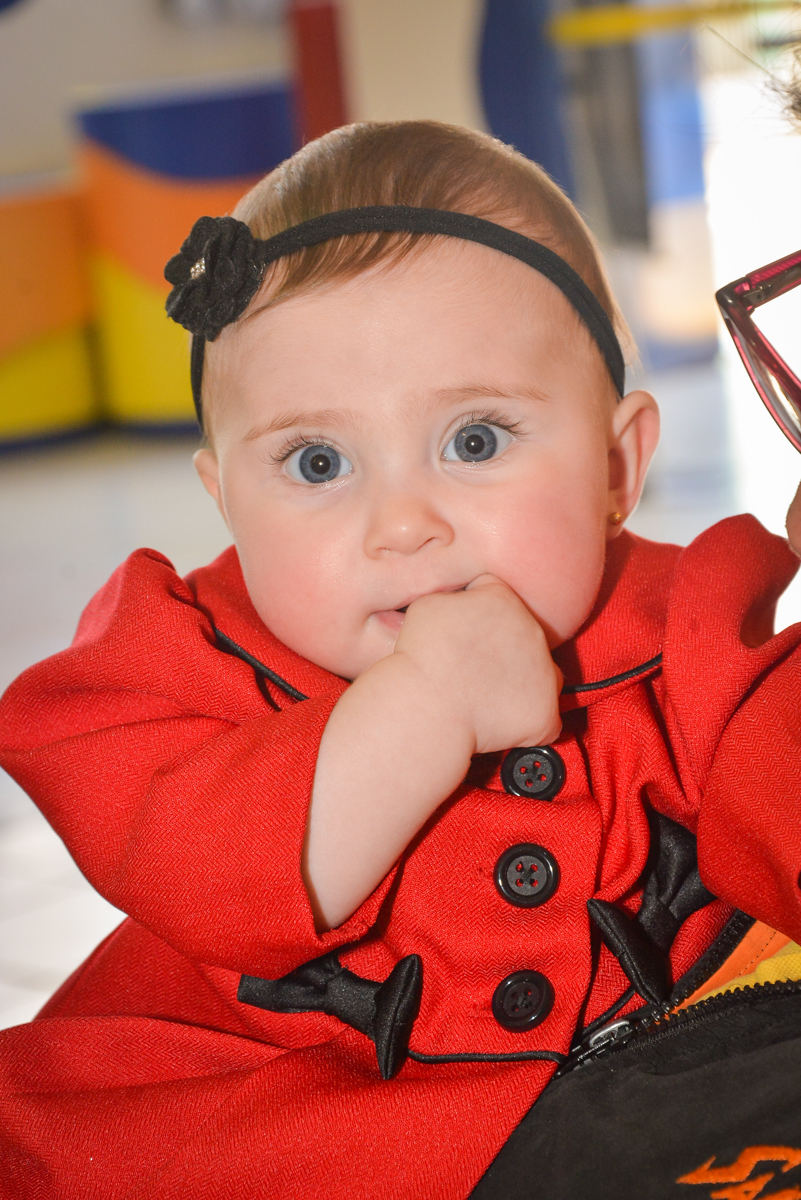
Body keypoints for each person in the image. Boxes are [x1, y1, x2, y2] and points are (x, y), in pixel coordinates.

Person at [1, 120, 801, 1200]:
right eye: (318, 461)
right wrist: (427, 704)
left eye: (474, 441)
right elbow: (199, 866)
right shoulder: (179, 662)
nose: (402, 523)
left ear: (618, 466)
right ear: (224, 498)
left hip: (657, 1075)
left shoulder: (687, 626)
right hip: (294, 1117)